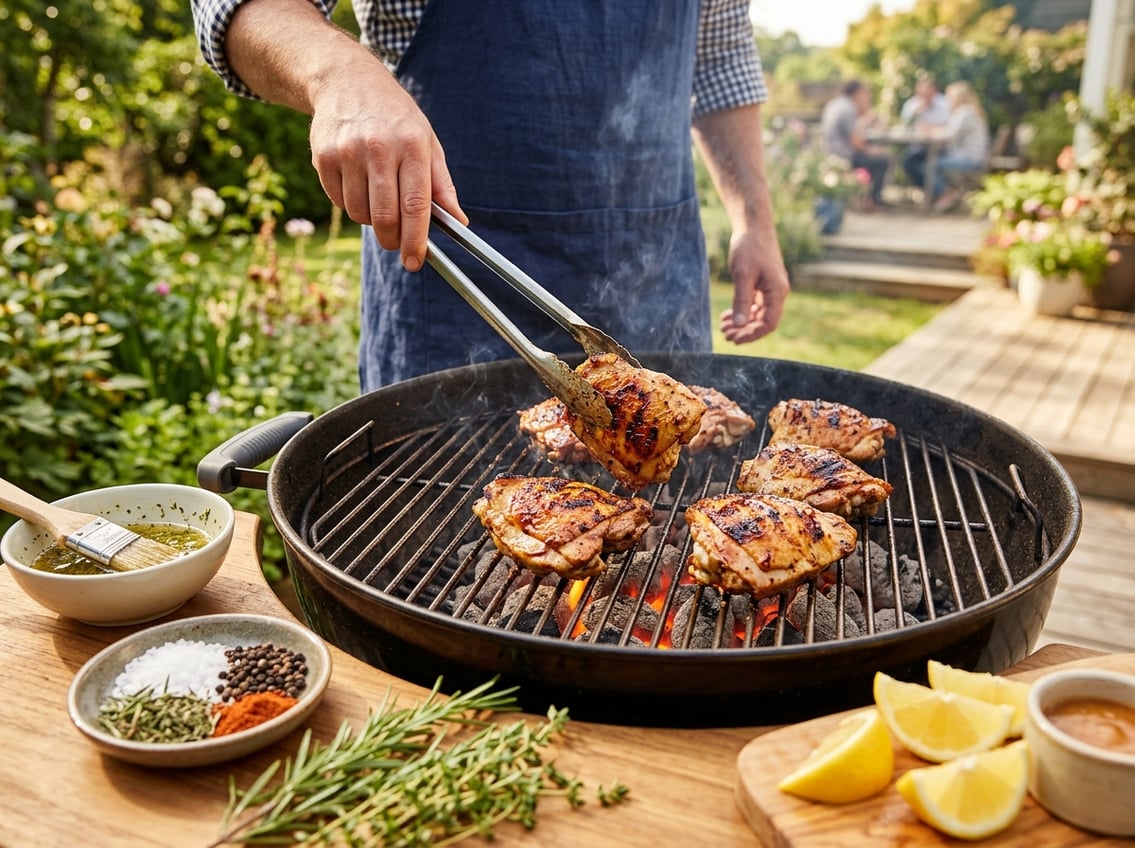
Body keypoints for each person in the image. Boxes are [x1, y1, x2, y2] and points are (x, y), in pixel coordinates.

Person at [190, 0, 790, 392]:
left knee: (675, 513)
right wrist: (338, 76)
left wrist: (755, 221)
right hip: (457, 265)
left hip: (656, 266)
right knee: (441, 555)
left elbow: (721, 51)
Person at [820, 80, 891, 211]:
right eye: (865, 94)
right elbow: (857, 143)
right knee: (883, 161)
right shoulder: (848, 108)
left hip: (831, 153)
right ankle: (872, 200)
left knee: (877, 158)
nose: (867, 98)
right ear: (857, 93)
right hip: (845, 157)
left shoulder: (834, 104)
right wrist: (872, 151)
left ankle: (867, 199)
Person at [926, 81, 991, 212]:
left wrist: (931, 131)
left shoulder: (965, 112)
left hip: (970, 160)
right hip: (974, 157)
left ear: (956, 98)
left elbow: (949, 135)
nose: (947, 101)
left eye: (949, 97)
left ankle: (948, 193)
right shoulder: (969, 111)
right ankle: (948, 193)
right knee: (932, 161)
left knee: (932, 164)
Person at [899, 76, 950, 194]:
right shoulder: (911, 104)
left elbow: (949, 127)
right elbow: (905, 127)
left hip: (941, 148)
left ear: (934, 91)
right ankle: (932, 193)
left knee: (925, 165)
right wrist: (915, 115)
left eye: (928, 93)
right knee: (908, 164)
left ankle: (942, 193)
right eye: (922, 93)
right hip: (918, 147)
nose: (925, 96)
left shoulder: (944, 104)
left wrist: (930, 129)